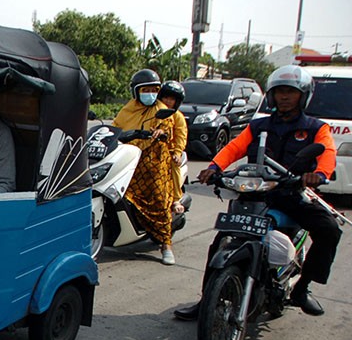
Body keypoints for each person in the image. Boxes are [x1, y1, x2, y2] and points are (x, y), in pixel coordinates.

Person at [174, 65, 340, 320]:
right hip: (256, 193)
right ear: (271, 95)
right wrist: (214, 168)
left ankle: (303, 287)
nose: (284, 97)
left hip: (291, 195)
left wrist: (318, 175)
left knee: (329, 229)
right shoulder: (258, 125)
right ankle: (207, 299)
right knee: (221, 241)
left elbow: (327, 153)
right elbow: (234, 147)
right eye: (279, 91)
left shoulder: (316, 128)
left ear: (303, 95)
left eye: (291, 92)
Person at [113, 69, 178, 265]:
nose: (150, 94)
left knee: (159, 199)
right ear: (136, 92)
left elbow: (166, 125)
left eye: (153, 90)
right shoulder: (127, 110)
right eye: (145, 90)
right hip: (129, 159)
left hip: (154, 163)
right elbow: (115, 127)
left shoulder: (161, 109)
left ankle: (166, 245)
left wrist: (159, 132)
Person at [157, 80, 188, 215]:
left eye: (172, 99)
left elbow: (181, 136)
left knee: (173, 164)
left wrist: (177, 153)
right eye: (166, 97)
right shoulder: (152, 112)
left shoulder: (178, 117)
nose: (168, 101)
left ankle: (176, 199)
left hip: (169, 151)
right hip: (150, 149)